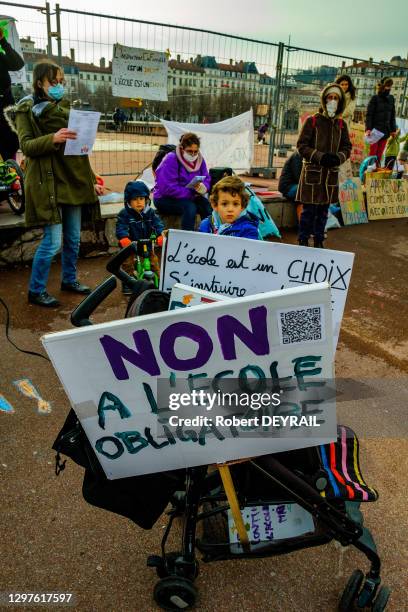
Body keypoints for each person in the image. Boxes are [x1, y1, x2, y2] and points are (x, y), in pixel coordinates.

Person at [7, 60, 104, 307]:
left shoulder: (67, 111)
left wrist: (92, 180)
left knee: (73, 238)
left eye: (62, 82)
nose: (59, 86)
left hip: (72, 180)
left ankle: (69, 280)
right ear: (40, 82)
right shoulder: (26, 109)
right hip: (47, 183)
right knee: (52, 242)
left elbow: (80, 152)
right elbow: (26, 146)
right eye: (54, 82)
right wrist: (53, 137)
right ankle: (36, 290)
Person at [296, 82, 352, 248]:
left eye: (336, 98)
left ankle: (319, 240)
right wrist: (320, 157)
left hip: (330, 175)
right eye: (330, 97)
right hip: (312, 174)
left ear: (340, 102)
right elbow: (302, 146)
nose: (332, 100)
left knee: (323, 213)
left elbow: (347, 147)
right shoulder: (312, 121)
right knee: (308, 212)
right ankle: (303, 240)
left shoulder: (342, 125)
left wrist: (338, 158)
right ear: (324, 100)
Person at [153, 132, 212, 231]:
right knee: (190, 208)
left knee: (206, 205)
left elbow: (206, 177)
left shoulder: (200, 159)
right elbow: (167, 188)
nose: (193, 154)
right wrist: (191, 192)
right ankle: (187, 239)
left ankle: (210, 234)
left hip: (190, 195)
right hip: (165, 198)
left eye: (195, 151)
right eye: (189, 151)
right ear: (182, 149)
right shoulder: (171, 159)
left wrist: (204, 187)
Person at [116, 180, 164, 293]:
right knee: (128, 264)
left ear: (146, 199)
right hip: (131, 245)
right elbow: (121, 227)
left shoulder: (150, 213)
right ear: (128, 201)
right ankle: (128, 283)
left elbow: (158, 224)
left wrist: (160, 234)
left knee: (154, 263)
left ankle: (160, 281)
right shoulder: (125, 214)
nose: (139, 202)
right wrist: (123, 237)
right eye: (135, 199)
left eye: (141, 199)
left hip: (146, 244)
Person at [0, 24, 25, 161]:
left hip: (5, 106)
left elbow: (18, 64)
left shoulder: (1, 57)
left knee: (9, 148)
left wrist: (2, 41)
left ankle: (11, 177)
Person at [365, 77, 397, 166]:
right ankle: (368, 174)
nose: (389, 88)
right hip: (375, 131)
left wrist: (393, 130)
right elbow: (369, 114)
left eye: (390, 86)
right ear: (382, 86)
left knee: (379, 155)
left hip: (386, 131)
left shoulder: (391, 98)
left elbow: (392, 115)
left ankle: (376, 174)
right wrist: (368, 128)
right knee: (372, 155)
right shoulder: (375, 98)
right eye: (387, 85)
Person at [278, 151, 303, 222]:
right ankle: (303, 227)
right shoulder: (297, 156)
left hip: (295, 185)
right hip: (288, 187)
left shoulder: (304, 156)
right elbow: (298, 177)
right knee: (303, 193)